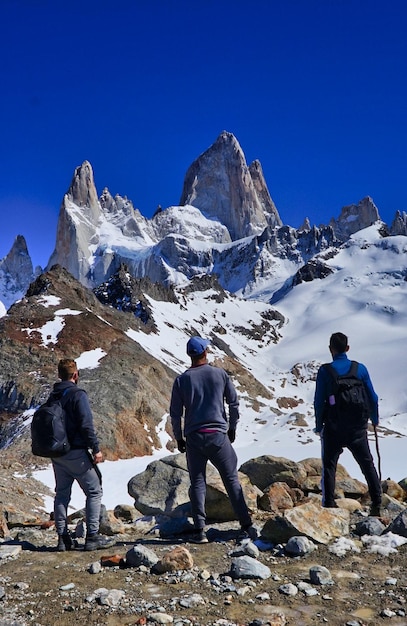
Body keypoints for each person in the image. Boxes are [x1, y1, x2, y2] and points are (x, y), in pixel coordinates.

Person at [170, 336, 257, 543]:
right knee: (231, 480)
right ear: (206, 352)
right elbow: (234, 404)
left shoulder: (182, 380)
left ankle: (200, 530)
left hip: (194, 438)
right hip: (218, 435)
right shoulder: (220, 374)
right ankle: (246, 525)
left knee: (198, 482)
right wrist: (232, 428)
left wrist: (179, 438)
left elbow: (175, 414)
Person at [314, 332, 382, 516]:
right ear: (348, 348)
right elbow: (373, 398)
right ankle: (377, 503)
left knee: (329, 465)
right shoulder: (360, 369)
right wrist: (374, 420)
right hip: (357, 428)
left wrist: (319, 426)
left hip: (333, 427)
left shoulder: (325, 371)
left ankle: (328, 505)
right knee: (367, 464)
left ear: (330, 349)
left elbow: (319, 401)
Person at [51, 358, 115, 551]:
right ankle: (93, 537)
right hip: (76, 452)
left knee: (62, 494)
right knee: (94, 491)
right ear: (76, 375)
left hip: (57, 454)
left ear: (59, 375)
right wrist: (96, 449)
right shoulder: (78, 394)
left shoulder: (53, 395)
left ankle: (63, 539)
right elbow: (86, 424)